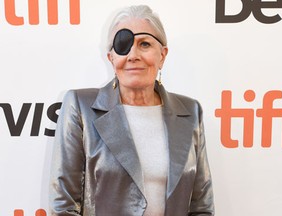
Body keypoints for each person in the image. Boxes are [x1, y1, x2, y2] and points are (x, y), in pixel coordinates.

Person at [49, 5, 214, 216]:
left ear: (162, 55)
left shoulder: (191, 112)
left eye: (144, 44)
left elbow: (202, 206)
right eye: (123, 46)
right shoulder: (80, 107)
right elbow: (63, 206)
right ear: (111, 58)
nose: (133, 55)